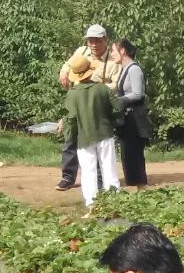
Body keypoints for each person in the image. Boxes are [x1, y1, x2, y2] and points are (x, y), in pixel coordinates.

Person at [55, 24, 121, 191]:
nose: (93, 44)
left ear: (105, 40)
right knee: (71, 138)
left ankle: (99, 181)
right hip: (77, 101)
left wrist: (98, 89)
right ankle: (68, 177)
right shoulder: (82, 52)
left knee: (95, 141)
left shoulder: (113, 61)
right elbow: (67, 65)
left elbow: (117, 84)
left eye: (97, 41)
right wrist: (63, 72)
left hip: (97, 105)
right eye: (90, 40)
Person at [63, 55, 122, 215]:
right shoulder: (103, 88)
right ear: (90, 71)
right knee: (109, 168)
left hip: (84, 138)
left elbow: (72, 119)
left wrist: (70, 136)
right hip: (105, 133)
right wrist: (112, 121)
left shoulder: (72, 94)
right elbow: (117, 107)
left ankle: (92, 206)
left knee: (88, 172)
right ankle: (114, 202)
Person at [111, 38, 153, 187]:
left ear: (122, 50)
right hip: (127, 119)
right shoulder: (124, 68)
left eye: (113, 51)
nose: (111, 54)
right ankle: (133, 187)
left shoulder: (134, 69)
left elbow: (138, 93)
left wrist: (119, 101)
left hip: (135, 119)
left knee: (134, 155)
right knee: (127, 155)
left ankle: (140, 187)